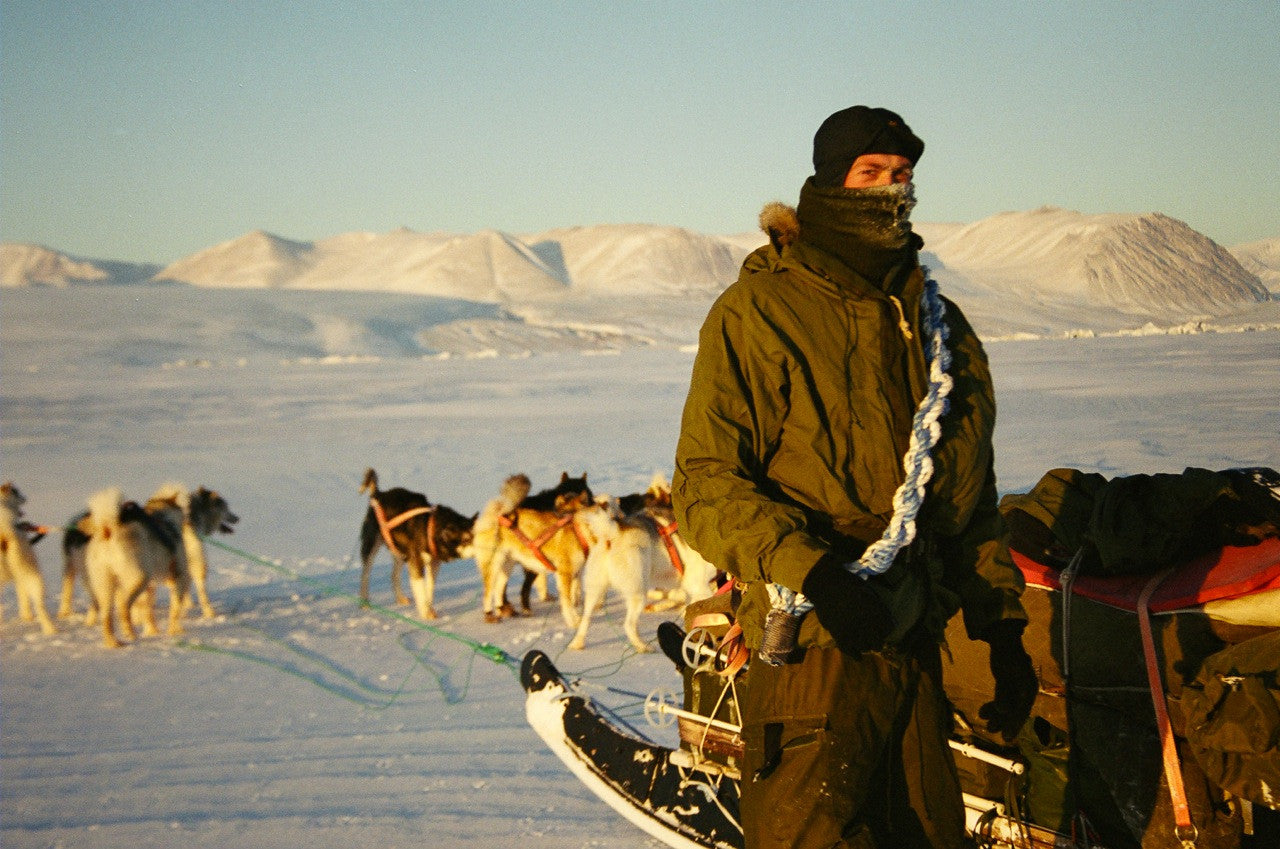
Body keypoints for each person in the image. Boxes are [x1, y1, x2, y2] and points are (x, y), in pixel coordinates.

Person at [672, 105, 1038, 849]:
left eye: (902, 176)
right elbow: (705, 484)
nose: (890, 191)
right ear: (829, 186)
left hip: (911, 643)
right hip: (810, 640)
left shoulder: (940, 328)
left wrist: (1001, 628)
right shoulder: (760, 311)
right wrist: (818, 573)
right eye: (870, 174)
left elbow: (968, 499)